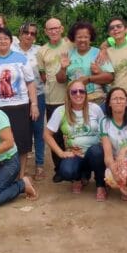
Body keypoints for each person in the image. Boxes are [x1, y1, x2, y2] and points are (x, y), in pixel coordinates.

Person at [0, 27, 38, 179]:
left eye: (5, 38)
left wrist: (34, 104)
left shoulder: (21, 58)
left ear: (11, 41)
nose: (2, 41)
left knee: (22, 142)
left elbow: (30, 82)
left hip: (20, 106)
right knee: (1, 142)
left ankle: (21, 176)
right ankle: (5, 176)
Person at [44, 80, 106, 200]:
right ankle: (78, 177)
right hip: (75, 154)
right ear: (68, 94)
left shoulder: (95, 108)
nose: (78, 94)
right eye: (74, 92)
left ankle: (100, 184)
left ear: (86, 93)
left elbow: (105, 131)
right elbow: (47, 134)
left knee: (96, 152)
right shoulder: (61, 111)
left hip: (95, 153)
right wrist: (61, 153)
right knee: (66, 171)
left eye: (81, 91)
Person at [37, 17, 72, 182]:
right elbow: (43, 75)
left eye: (56, 28)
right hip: (52, 99)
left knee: (74, 134)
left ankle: (77, 169)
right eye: (50, 29)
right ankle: (59, 169)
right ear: (45, 31)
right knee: (55, 135)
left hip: (73, 97)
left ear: (62, 29)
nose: (53, 31)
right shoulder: (42, 51)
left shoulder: (70, 45)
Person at [58, 20, 114, 105]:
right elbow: (60, 80)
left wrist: (89, 79)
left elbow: (110, 78)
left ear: (90, 38)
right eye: (79, 37)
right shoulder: (68, 55)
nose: (82, 40)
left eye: (86, 37)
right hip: (75, 100)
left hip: (96, 100)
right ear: (73, 38)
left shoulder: (98, 53)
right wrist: (63, 68)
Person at [18, 22, 47, 181]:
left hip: (39, 95)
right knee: (21, 131)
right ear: (20, 33)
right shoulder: (12, 50)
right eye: (26, 32)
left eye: (33, 33)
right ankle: (18, 168)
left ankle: (39, 165)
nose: (29, 35)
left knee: (38, 130)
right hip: (18, 98)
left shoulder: (40, 50)